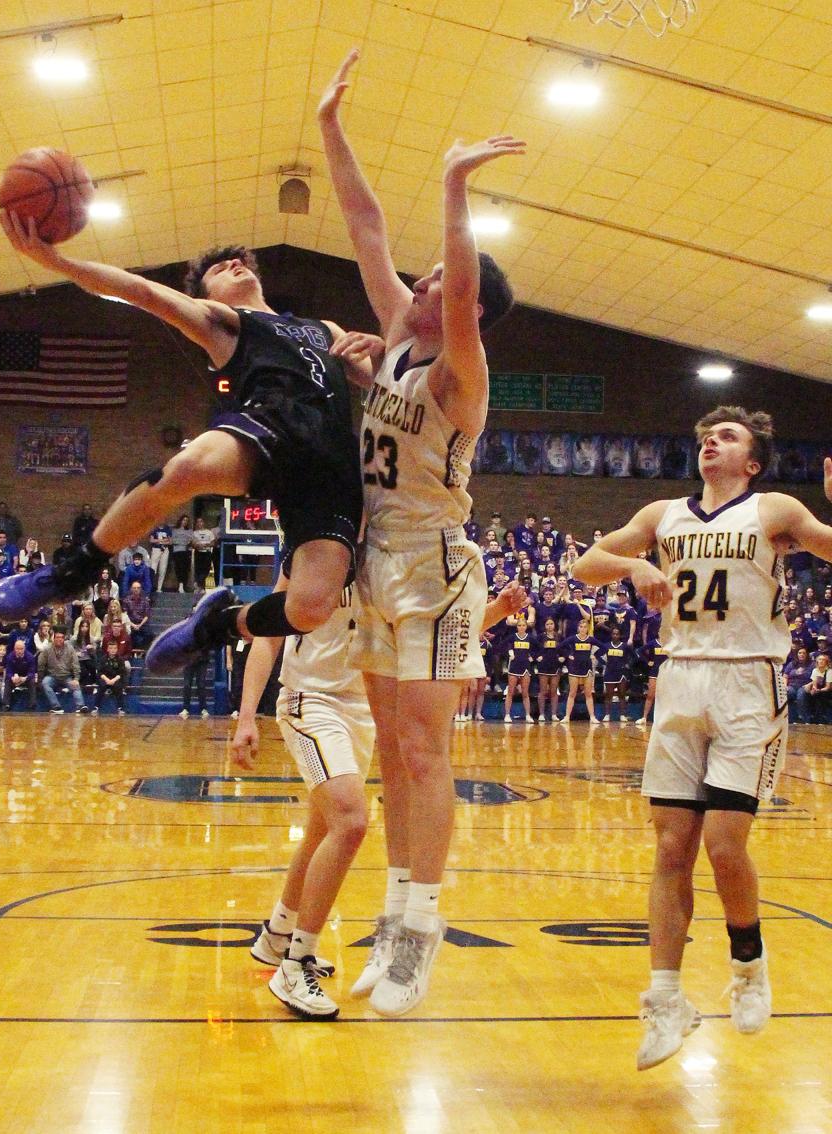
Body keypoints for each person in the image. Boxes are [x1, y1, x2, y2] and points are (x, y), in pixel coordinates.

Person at [317, 50, 520, 1016]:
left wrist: (453, 180)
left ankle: (422, 934)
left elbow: (469, 287)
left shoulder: (461, 372)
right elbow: (364, 224)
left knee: (426, 750)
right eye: (430, 274)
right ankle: (391, 919)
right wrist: (330, 127)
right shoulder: (398, 330)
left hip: (437, 569)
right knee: (394, 752)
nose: (426, 279)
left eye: (443, 276)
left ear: (468, 304)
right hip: (374, 563)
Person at [0, 212, 373, 668]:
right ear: (204, 295)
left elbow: (383, 384)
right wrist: (57, 261)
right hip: (271, 426)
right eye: (219, 268)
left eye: (239, 260)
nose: (233, 265)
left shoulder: (325, 329)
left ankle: (216, 625)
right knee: (191, 466)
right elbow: (143, 292)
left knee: (311, 609)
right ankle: (75, 571)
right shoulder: (223, 322)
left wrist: (381, 347)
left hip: (334, 460)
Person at [572, 404, 832, 1072]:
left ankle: (748, 964)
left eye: (728, 437)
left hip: (749, 682)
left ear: (751, 460)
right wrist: (633, 569)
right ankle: (665, 1000)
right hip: (681, 678)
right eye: (704, 437)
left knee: (722, 845)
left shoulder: (773, 509)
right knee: (669, 846)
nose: (710, 442)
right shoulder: (663, 515)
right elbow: (586, 566)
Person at [232, 569, 526, 1020]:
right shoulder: (314, 553)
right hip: (310, 700)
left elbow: (426, 639)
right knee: (350, 823)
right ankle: (295, 963)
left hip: (365, 711)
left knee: (321, 830)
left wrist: (499, 612)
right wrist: (246, 715)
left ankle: (277, 936)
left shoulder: (389, 559)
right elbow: (268, 636)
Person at [37, 627, 87, 714]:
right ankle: (56, 707)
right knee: (45, 683)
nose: (59, 639)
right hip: (52, 676)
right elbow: (40, 665)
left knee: (75, 685)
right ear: (54, 638)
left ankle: (81, 706)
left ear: (64, 639)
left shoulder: (70, 648)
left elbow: (75, 664)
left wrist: (76, 678)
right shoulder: (47, 649)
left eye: (61, 637)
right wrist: (40, 680)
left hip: (66, 676)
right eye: (57, 637)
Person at [560, 617, 599, 724]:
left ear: (587, 628)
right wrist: (568, 655)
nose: (583, 629)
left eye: (585, 627)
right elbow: (560, 646)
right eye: (581, 627)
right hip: (574, 669)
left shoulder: (591, 639)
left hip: (587, 668)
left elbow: (604, 647)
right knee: (572, 693)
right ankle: (567, 716)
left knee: (588, 694)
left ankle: (592, 717)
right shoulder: (573, 639)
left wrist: (594, 655)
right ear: (578, 628)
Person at [92, 640, 127, 715]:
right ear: (108, 649)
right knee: (101, 687)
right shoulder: (103, 659)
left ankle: (120, 708)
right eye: (111, 648)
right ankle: (96, 707)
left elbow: (122, 672)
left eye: (114, 648)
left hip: (115, 678)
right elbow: (100, 672)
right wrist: (107, 680)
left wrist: (113, 680)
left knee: (118, 688)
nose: (113, 650)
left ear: (117, 649)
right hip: (105, 678)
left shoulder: (120, 660)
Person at [170, 514, 194, 593]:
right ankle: (180, 585)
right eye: (183, 520)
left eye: (186, 521)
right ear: (180, 520)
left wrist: (183, 542)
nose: (185, 522)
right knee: (178, 568)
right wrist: (183, 541)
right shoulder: (175, 530)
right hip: (177, 551)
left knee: (185, 568)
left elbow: (190, 540)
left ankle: (184, 585)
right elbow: (173, 541)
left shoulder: (189, 531)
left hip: (186, 551)